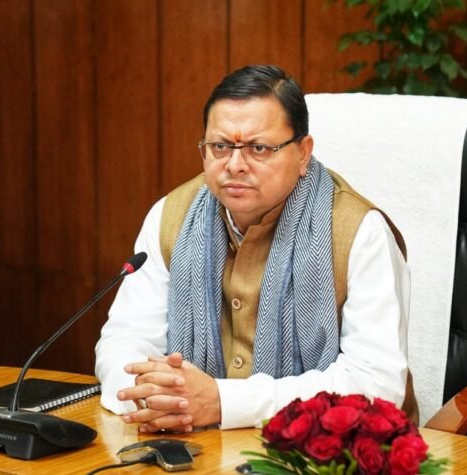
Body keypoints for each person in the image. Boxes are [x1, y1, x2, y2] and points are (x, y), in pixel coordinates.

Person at [95, 65, 413, 433]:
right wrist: (155, 397)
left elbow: (376, 385)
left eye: (258, 148)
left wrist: (223, 403)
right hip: (193, 444)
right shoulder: (172, 216)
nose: (234, 165)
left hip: (327, 452)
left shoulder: (359, 232)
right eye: (220, 147)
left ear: (303, 153)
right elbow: (125, 339)